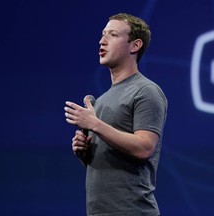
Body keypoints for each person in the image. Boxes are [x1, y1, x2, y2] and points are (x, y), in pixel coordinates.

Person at [64, 13, 167, 216]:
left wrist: (95, 124)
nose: (102, 41)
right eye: (103, 35)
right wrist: (85, 152)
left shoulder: (146, 91)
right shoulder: (102, 100)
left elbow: (144, 148)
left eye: (112, 35)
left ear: (135, 45)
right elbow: (108, 162)